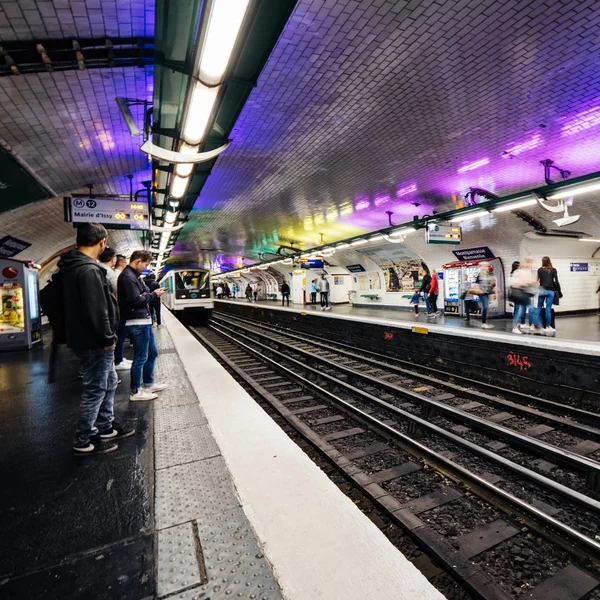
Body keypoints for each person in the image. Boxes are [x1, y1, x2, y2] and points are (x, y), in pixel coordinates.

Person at [58, 223, 134, 456]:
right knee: (96, 388)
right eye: (106, 242)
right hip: (95, 341)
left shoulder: (74, 266)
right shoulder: (89, 270)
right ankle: (83, 439)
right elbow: (96, 309)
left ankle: (105, 426)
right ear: (101, 242)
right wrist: (108, 337)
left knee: (109, 382)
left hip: (86, 338)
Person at [118, 250, 168, 401]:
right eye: (145, 264)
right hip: (136, 322)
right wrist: (153, 295)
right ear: (137, 261)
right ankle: (135, 391)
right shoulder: (128, 277)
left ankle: (148, 383)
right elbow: (135, 300)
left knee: (152, 353)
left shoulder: (135, 276)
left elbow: (143, 293)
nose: (146, 268)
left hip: (143, 321)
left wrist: (150, 292)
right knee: (141, 357)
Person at [532, 256, 560, 334]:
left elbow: (536, 281)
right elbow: (556, 281)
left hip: (542, 290)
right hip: (550, 291)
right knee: (548, 310)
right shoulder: (554, 270)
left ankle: (533, 325)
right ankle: (548, 326)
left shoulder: (540, 270)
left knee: (538, 308)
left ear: (542, 262)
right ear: (549, 261)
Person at [509, 260, 534, 334]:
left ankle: (521, 323)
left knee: (524, 309)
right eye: (519, 265)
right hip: (518, 293)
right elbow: (516, 283)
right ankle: (515, 326)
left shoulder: (519, 272)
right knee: (518, 310)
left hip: (522, 293)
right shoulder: (516, 273)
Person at [473, 263, 495, 329]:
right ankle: (483, 323)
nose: (487, 267)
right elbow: (476, 283)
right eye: (486, 266)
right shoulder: (480, 274)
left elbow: (492, 284)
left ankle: (484, 322)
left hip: (487, 292)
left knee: (486, 307)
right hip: (481, 293)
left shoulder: (489, 274)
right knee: (485, 306)